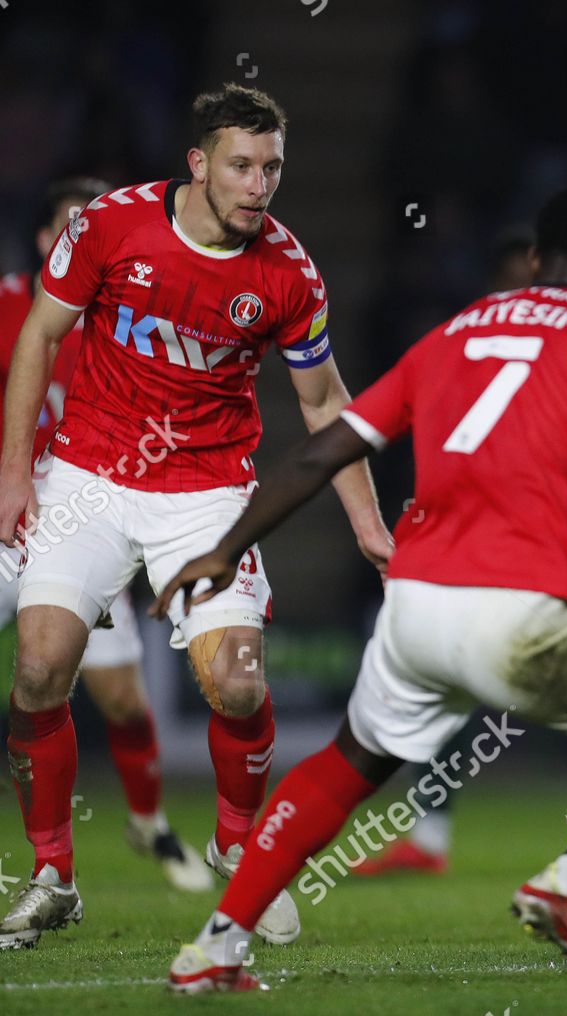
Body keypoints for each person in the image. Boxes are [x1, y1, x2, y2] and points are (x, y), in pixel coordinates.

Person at [160, 181, 567, 992]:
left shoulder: (453, 333)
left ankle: (215, 949)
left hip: (413, 608)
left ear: (536, 260)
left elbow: (322, 451)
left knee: (348, 761)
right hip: (524, 616)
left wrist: (224, 549)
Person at [0, 83, 392, 951]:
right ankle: (53, 874)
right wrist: (15, 475)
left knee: (241, 682)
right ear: (199, 165)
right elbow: (39, 336)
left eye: (273, 169)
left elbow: (327, 404)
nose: (260, 186)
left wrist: (368, 525)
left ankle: (233, 841)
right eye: (242, 166)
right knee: (38, 670)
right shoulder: (110, 224)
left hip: (208, 495)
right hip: (89, 478)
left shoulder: (289, 272)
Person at [0, 176, 213, 894]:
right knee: (33, 679)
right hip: (11, 517)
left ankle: (150, 826)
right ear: (43, 241)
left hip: (84, 518)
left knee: (121, 698)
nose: (86, 240)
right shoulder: (12, 307)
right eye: (71, 226)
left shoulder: (126, 312)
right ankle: (49, 865)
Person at [350, 229, 537, 878]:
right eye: (509, 284)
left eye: (531, 285)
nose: (519, 299)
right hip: (471, 546)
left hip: (548, 548)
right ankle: (427, 836)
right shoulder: (458, 352)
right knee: (441, 682)